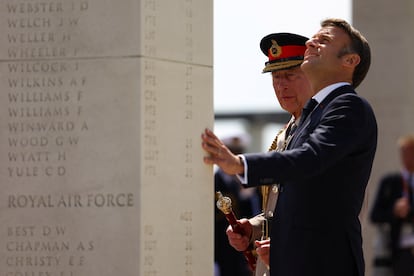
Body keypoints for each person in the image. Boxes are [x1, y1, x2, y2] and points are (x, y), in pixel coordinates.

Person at [202, 18, 377, 276]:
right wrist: (256, 230)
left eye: (324, 40)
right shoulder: (307, 118)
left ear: (350, 61)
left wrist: (240, 164)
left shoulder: (349, 107)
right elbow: (296, 204)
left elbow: (310, 159)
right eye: (275, 77)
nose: (311, 43)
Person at [223, 32, 312, 276]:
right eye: (275, 76)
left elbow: (331, 211)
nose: (281, 85)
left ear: (311, 74)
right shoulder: (284, 134)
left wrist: (288, 248)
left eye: (290, 75)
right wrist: (251, 228)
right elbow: (280, 211)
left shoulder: (323, 129)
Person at [215, 133, 261, 276]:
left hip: (253, 250)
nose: (234, 157)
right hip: (225, 254)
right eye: (231, 152)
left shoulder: (253, 182)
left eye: (238, 153)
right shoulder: (214, 185)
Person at [370, 134, 414, 276]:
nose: (407, 157)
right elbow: (375, 215)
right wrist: (394, 212)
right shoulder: (390, 182)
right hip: (399, 252)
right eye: (404, 152)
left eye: (410, 152)